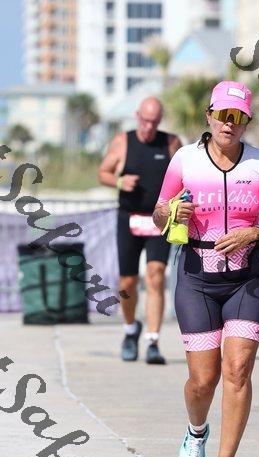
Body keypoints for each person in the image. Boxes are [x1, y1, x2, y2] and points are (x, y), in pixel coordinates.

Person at [153, 81, 259, 457]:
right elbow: (159, 214)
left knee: (237, 371)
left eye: (238, 117)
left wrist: (256, 233)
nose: (229, 124)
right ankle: (196, 430)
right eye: (223, 115)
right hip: (197, 278)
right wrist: (172, 212)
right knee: (203, 379)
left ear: (247, 121)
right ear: (209, 116)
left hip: (247, 280)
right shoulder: (185, 159)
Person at [98, 97, 181, 363]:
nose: (148, 127)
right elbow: (103, 172)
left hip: (159, 220)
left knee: (156, 276)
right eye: (145, 121)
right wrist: (119, 181)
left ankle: (153, 341)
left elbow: (184, 177)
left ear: (160, 120)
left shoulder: (171, 143)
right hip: (129, 219)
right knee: (128, 282)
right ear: (137, 116)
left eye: (154, 122)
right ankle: (130, 328)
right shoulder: (123, 141)